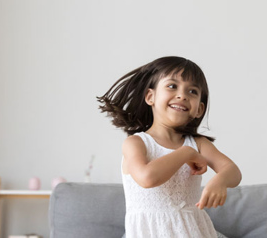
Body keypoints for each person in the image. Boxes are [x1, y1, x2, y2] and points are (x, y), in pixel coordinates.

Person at [97, 56, 241, 238]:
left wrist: (220, 180)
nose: (182, 95)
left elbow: (233, 171)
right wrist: (186, 153)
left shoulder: (198, 143)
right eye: (172, 86)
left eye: (193, 91)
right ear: (151, 97)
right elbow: (147, 178)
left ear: (199, 110)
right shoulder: (136, 143)